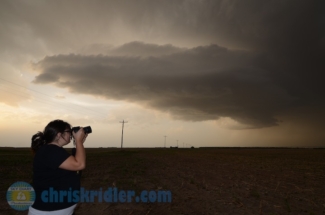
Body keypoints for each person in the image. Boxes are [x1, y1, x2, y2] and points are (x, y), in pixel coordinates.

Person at [28, 119, 87, 215]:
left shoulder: (52, 150)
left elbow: (76, 163)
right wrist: (79, 140)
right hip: (48, 210)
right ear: (59, 135)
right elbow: (79, 164)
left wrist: (79, 142)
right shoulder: (50, 151)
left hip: (55, 209)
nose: (71, 134)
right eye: (69, 131)